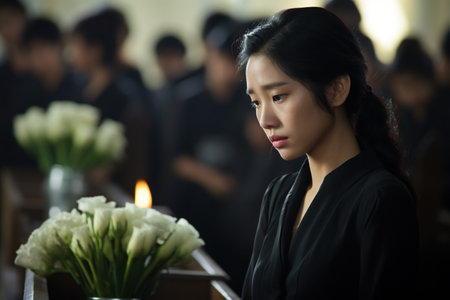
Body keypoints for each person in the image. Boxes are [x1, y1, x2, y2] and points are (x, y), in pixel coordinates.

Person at [239, 7, 418, 299]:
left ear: (336, 89)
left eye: (278, 97)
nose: (265, 120)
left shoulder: (380, 199)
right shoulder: (278, 194)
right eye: (256, 102)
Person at [21, 17, 84, 104]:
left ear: (60, 46)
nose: (37, 56)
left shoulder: (81, 85)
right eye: (31, 50)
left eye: (42, 48)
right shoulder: (26, 89)